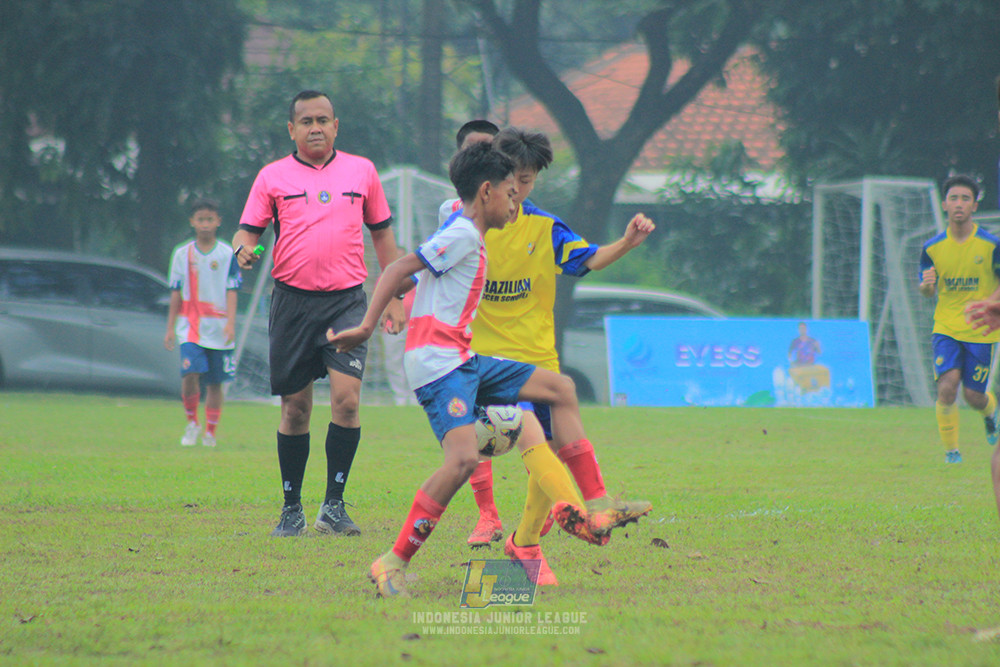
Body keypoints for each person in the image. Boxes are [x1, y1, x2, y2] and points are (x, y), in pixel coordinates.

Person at [328, 142, 638, 596]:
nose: (516, 204)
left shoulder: (470, 234)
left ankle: (598, 504)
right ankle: (392, 562)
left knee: (560, 389)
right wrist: (365, 327)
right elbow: (397, 269)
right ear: (487, 191)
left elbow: (414, 272)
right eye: (511, 194)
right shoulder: (462, 234)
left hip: (464, 358)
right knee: (462, 461)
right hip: (437, 365)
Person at [447, 127, 656, 548]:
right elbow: (426, 269)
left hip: (538, 356)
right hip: (487, 361)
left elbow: (588, 259)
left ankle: (525, 540)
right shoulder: (466, 226)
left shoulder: (544, 227)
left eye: (527, 181)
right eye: (512, 180)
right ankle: (582, 509)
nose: (517, 189)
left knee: (546, 444)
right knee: (530, 436)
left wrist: (627, 243)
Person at [233, 90, 406, 537]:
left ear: (336, 126)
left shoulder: (362, 171)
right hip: (291, 304)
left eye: (323, 120)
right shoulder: (272, 177)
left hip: (346, 303)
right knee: (296, 409)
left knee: (347, 401)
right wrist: (243, 250)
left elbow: (383, 237)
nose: (316, 128)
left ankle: (334, 505)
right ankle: (292, 508)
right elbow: (247, 233)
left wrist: (394, 298)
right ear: (291, 130)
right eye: (307, 121)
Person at [919, 175, 1000, 465]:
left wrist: (989, 304)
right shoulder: (932, 248)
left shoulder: (991, 245)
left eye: (965, 198)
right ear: (944, 204)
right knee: (947, 386)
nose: (959, 204)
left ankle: (990, 413)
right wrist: (927, 286)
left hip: (981, 328)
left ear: (974, 206)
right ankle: (952, 452)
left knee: (973, 396)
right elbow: (927, 289)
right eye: (953, 198)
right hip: (946, 326)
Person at [164, 198, 240, 448]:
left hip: (218, 328)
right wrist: (170, 328)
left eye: (209, 219)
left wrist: (231, 323)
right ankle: (192, 423)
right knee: (190, 374)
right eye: (200, 219)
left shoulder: (227, 253)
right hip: (190, 327)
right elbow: (175, 292)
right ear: (192, 222)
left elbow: (232, 290)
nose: (205, 224)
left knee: (215, 382)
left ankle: (210, 432)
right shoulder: (181, 253)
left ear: (218, 222)